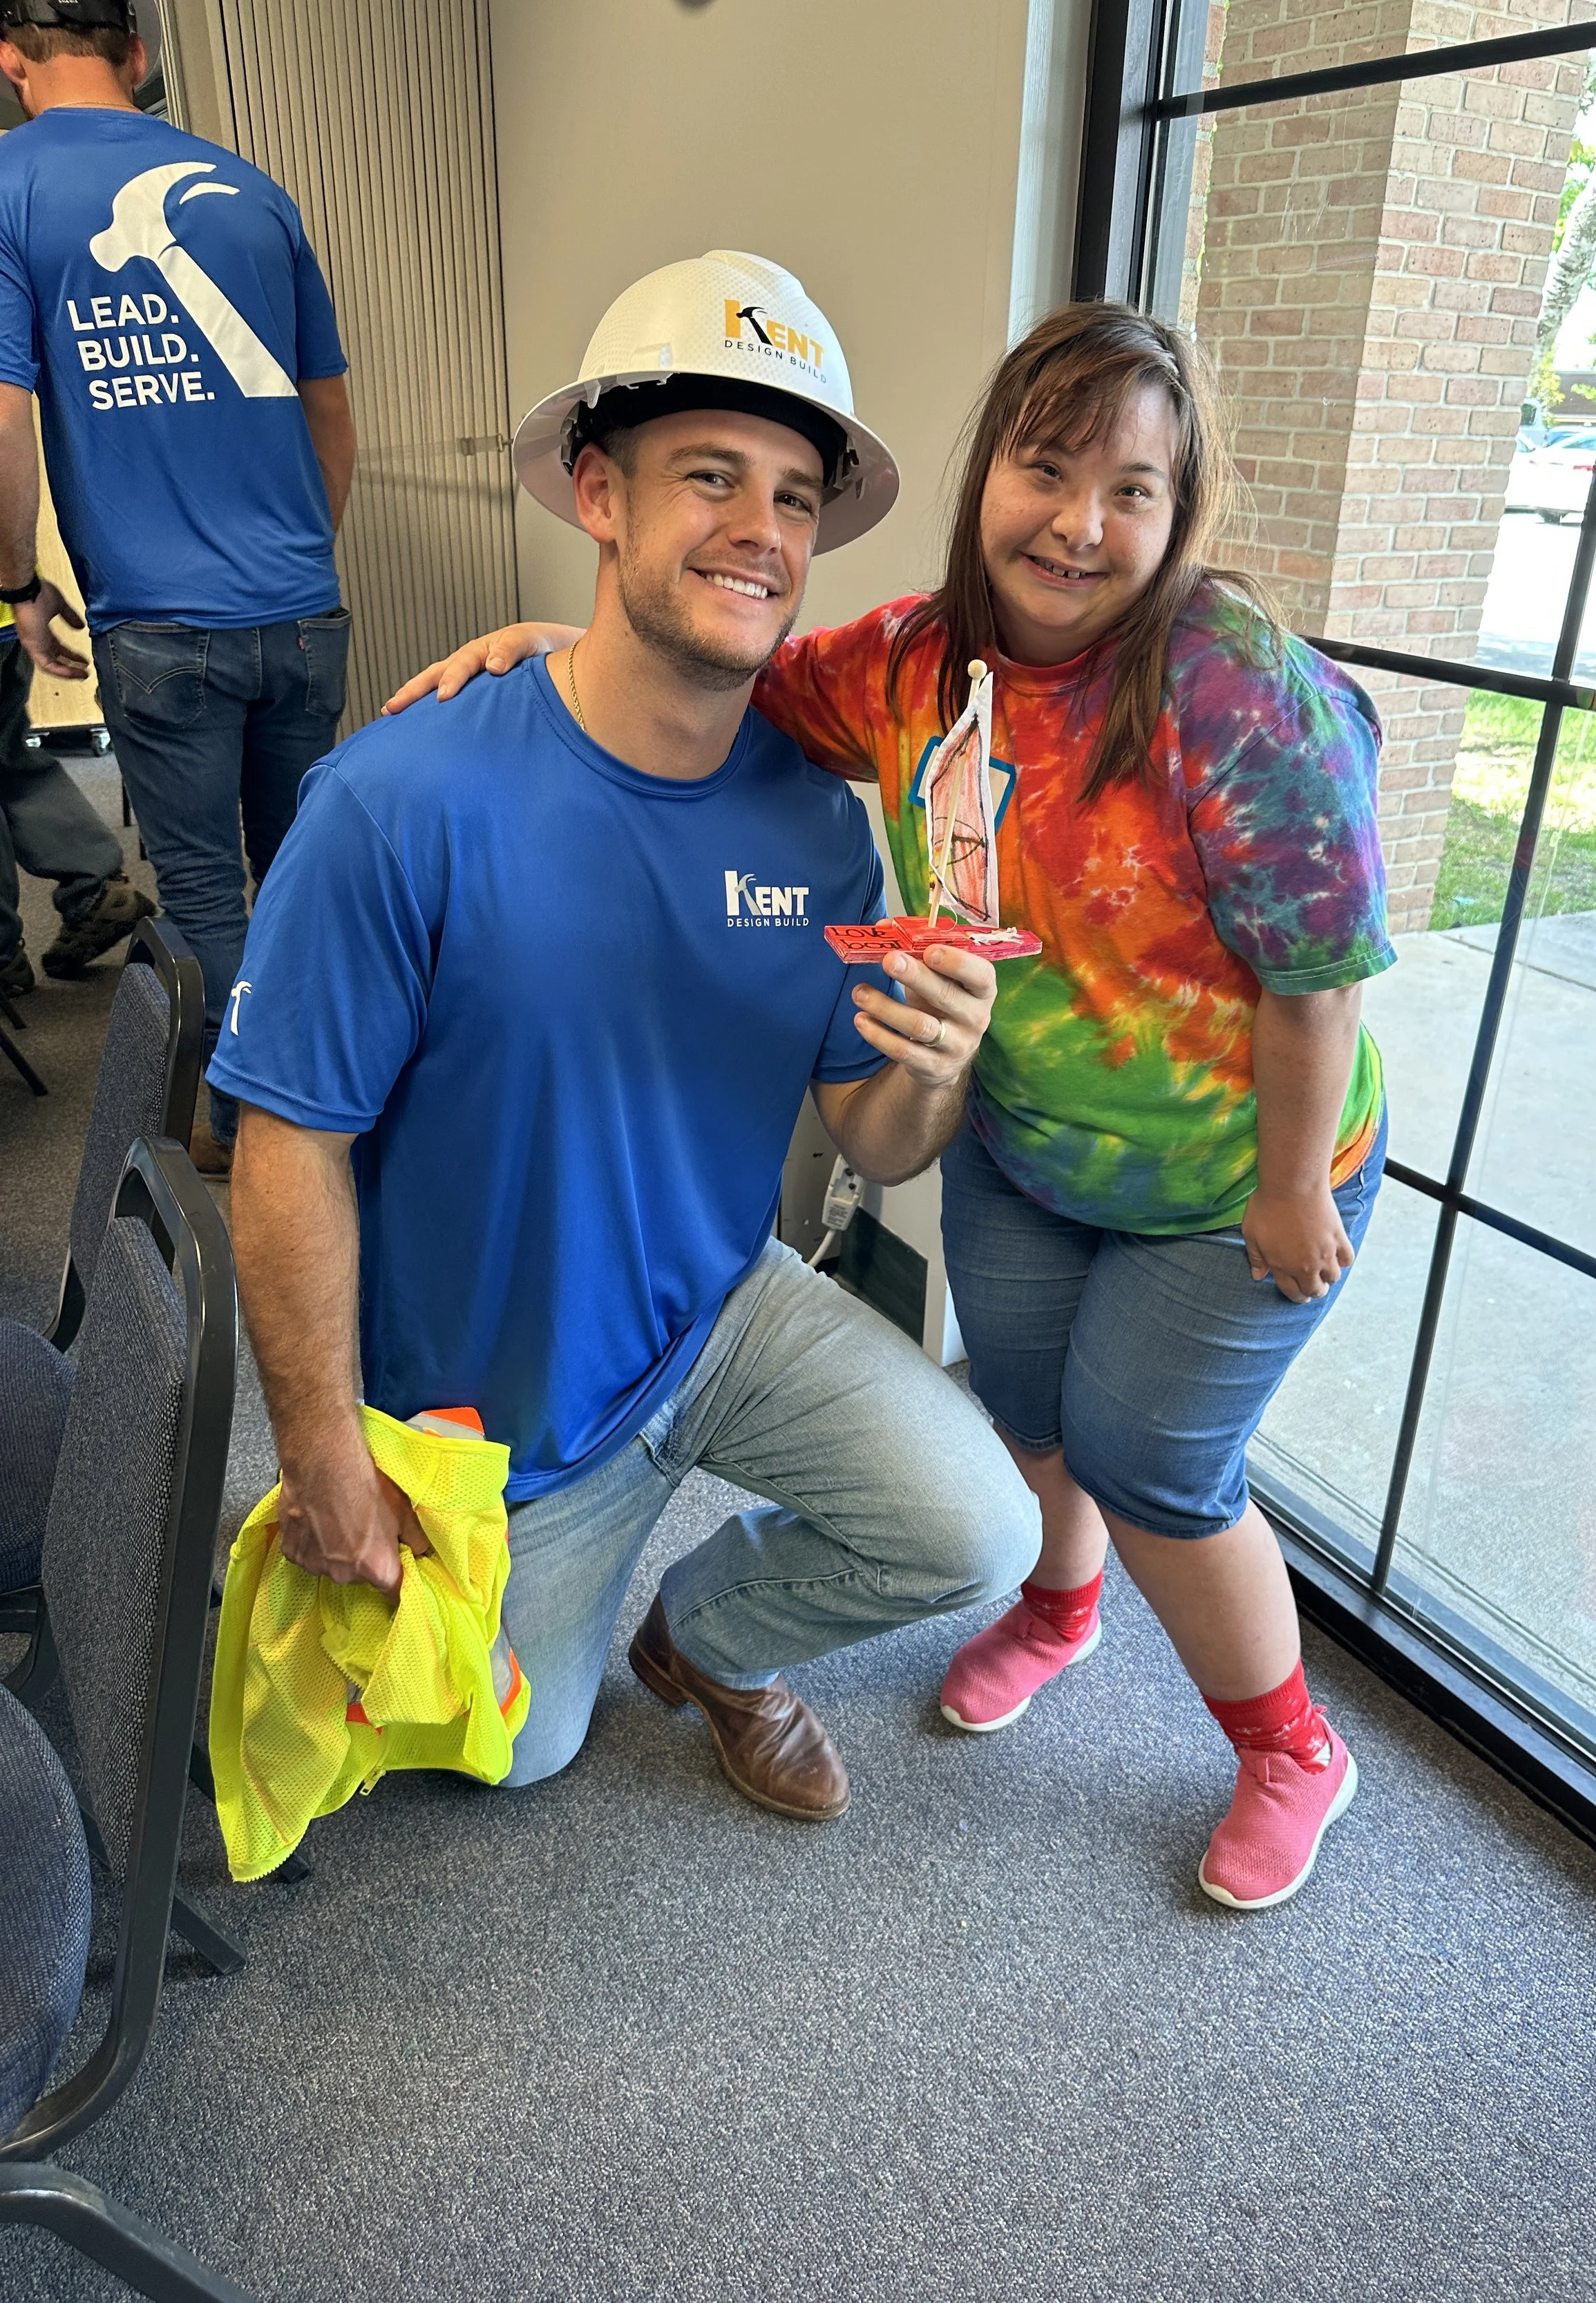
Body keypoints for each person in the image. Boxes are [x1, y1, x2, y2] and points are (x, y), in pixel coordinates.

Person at [391, 301, 1395, 1908]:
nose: (1078, 521)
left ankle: (1289, 1749)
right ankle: (1056, 1612)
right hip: (1030, 1145)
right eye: (1045, 467)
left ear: (1179, 511)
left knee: (1152, 1464)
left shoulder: (1237, 689)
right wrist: (544, 658)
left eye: (1130, 491)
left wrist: (1289, 1185)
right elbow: (725, 674)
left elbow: (1323, 975)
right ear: (984, 467)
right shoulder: (921, 661)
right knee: (1031, 1415)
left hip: (1238, 1175)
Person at [209, 252, 1040, 1821]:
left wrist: (937, 1060)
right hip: (499, 1407)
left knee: (979, 1532)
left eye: (793, 497)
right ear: (599, 495)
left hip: (719, 1309)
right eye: (709, 478)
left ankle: (708, 1639)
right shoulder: (400, 801)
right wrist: (319, 1446)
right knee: (515, 1754)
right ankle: (560, 1586)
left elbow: (871, 1133)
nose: (761, 532)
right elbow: (286, 1138)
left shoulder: (815, 826)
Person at [0, 0, 356, 1169]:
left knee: (207, 895)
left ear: (12, 64)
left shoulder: (11, 187)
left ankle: (251, 1131)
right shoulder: (256, 190)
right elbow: (328, 410)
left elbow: (5, 420)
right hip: (300, 611)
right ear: (139, 56)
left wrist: (18, 587)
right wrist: (306, 554)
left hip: (160, 623)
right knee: (305, 871)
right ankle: (330, 1094)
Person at [0, 591, 152, 994]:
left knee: (7, 755)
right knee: (8, 757)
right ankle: (96, 888)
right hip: (3, 613)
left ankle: (1, 955)